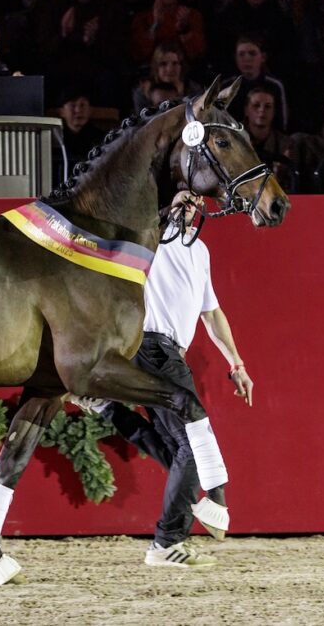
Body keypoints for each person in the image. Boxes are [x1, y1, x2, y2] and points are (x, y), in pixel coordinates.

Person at [80, 191, 254, 567]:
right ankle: (166, 542)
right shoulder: (151, 237)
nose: (188, 204)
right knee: (193, 443)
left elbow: (212, 315)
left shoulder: (201, 251)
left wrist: (236, 363)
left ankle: (108, 407)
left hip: (171, 353)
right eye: (181, 198)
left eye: (194, 200)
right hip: (152, 346)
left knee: (178, 449)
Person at [40, 0, 128, 108]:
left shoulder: (110, 9)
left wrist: (93, 40)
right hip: (64, 72)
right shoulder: (55, 9)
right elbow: (45, 51)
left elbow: (117, 54)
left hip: (98, 72)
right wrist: (64, 34)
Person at [130, 0, 205, 67]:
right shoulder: (141, 18)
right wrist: (155, 24)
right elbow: (139, 54)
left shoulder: (192, 15)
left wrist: (184, 30)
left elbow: (198, 54)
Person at [220, 34, 289, 131]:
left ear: (263, 57)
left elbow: (281, 122)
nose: (247, 59)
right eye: (241, 54)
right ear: (236, 58)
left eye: (252, 53)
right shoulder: (227, 86)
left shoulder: (274, 86)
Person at [55, 88, 105, 185]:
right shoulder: (54, 138)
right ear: (61, 111)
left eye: (82, 105)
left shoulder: (101, 138)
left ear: (90, 110)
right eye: (72, 105)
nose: (78, 110)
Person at [241, 85, 289, 163]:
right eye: (256, 105)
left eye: (268, 106)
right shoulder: (235, 139)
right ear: (246, 110)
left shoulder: (284, 144)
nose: (262, 110)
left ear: (274, 112)